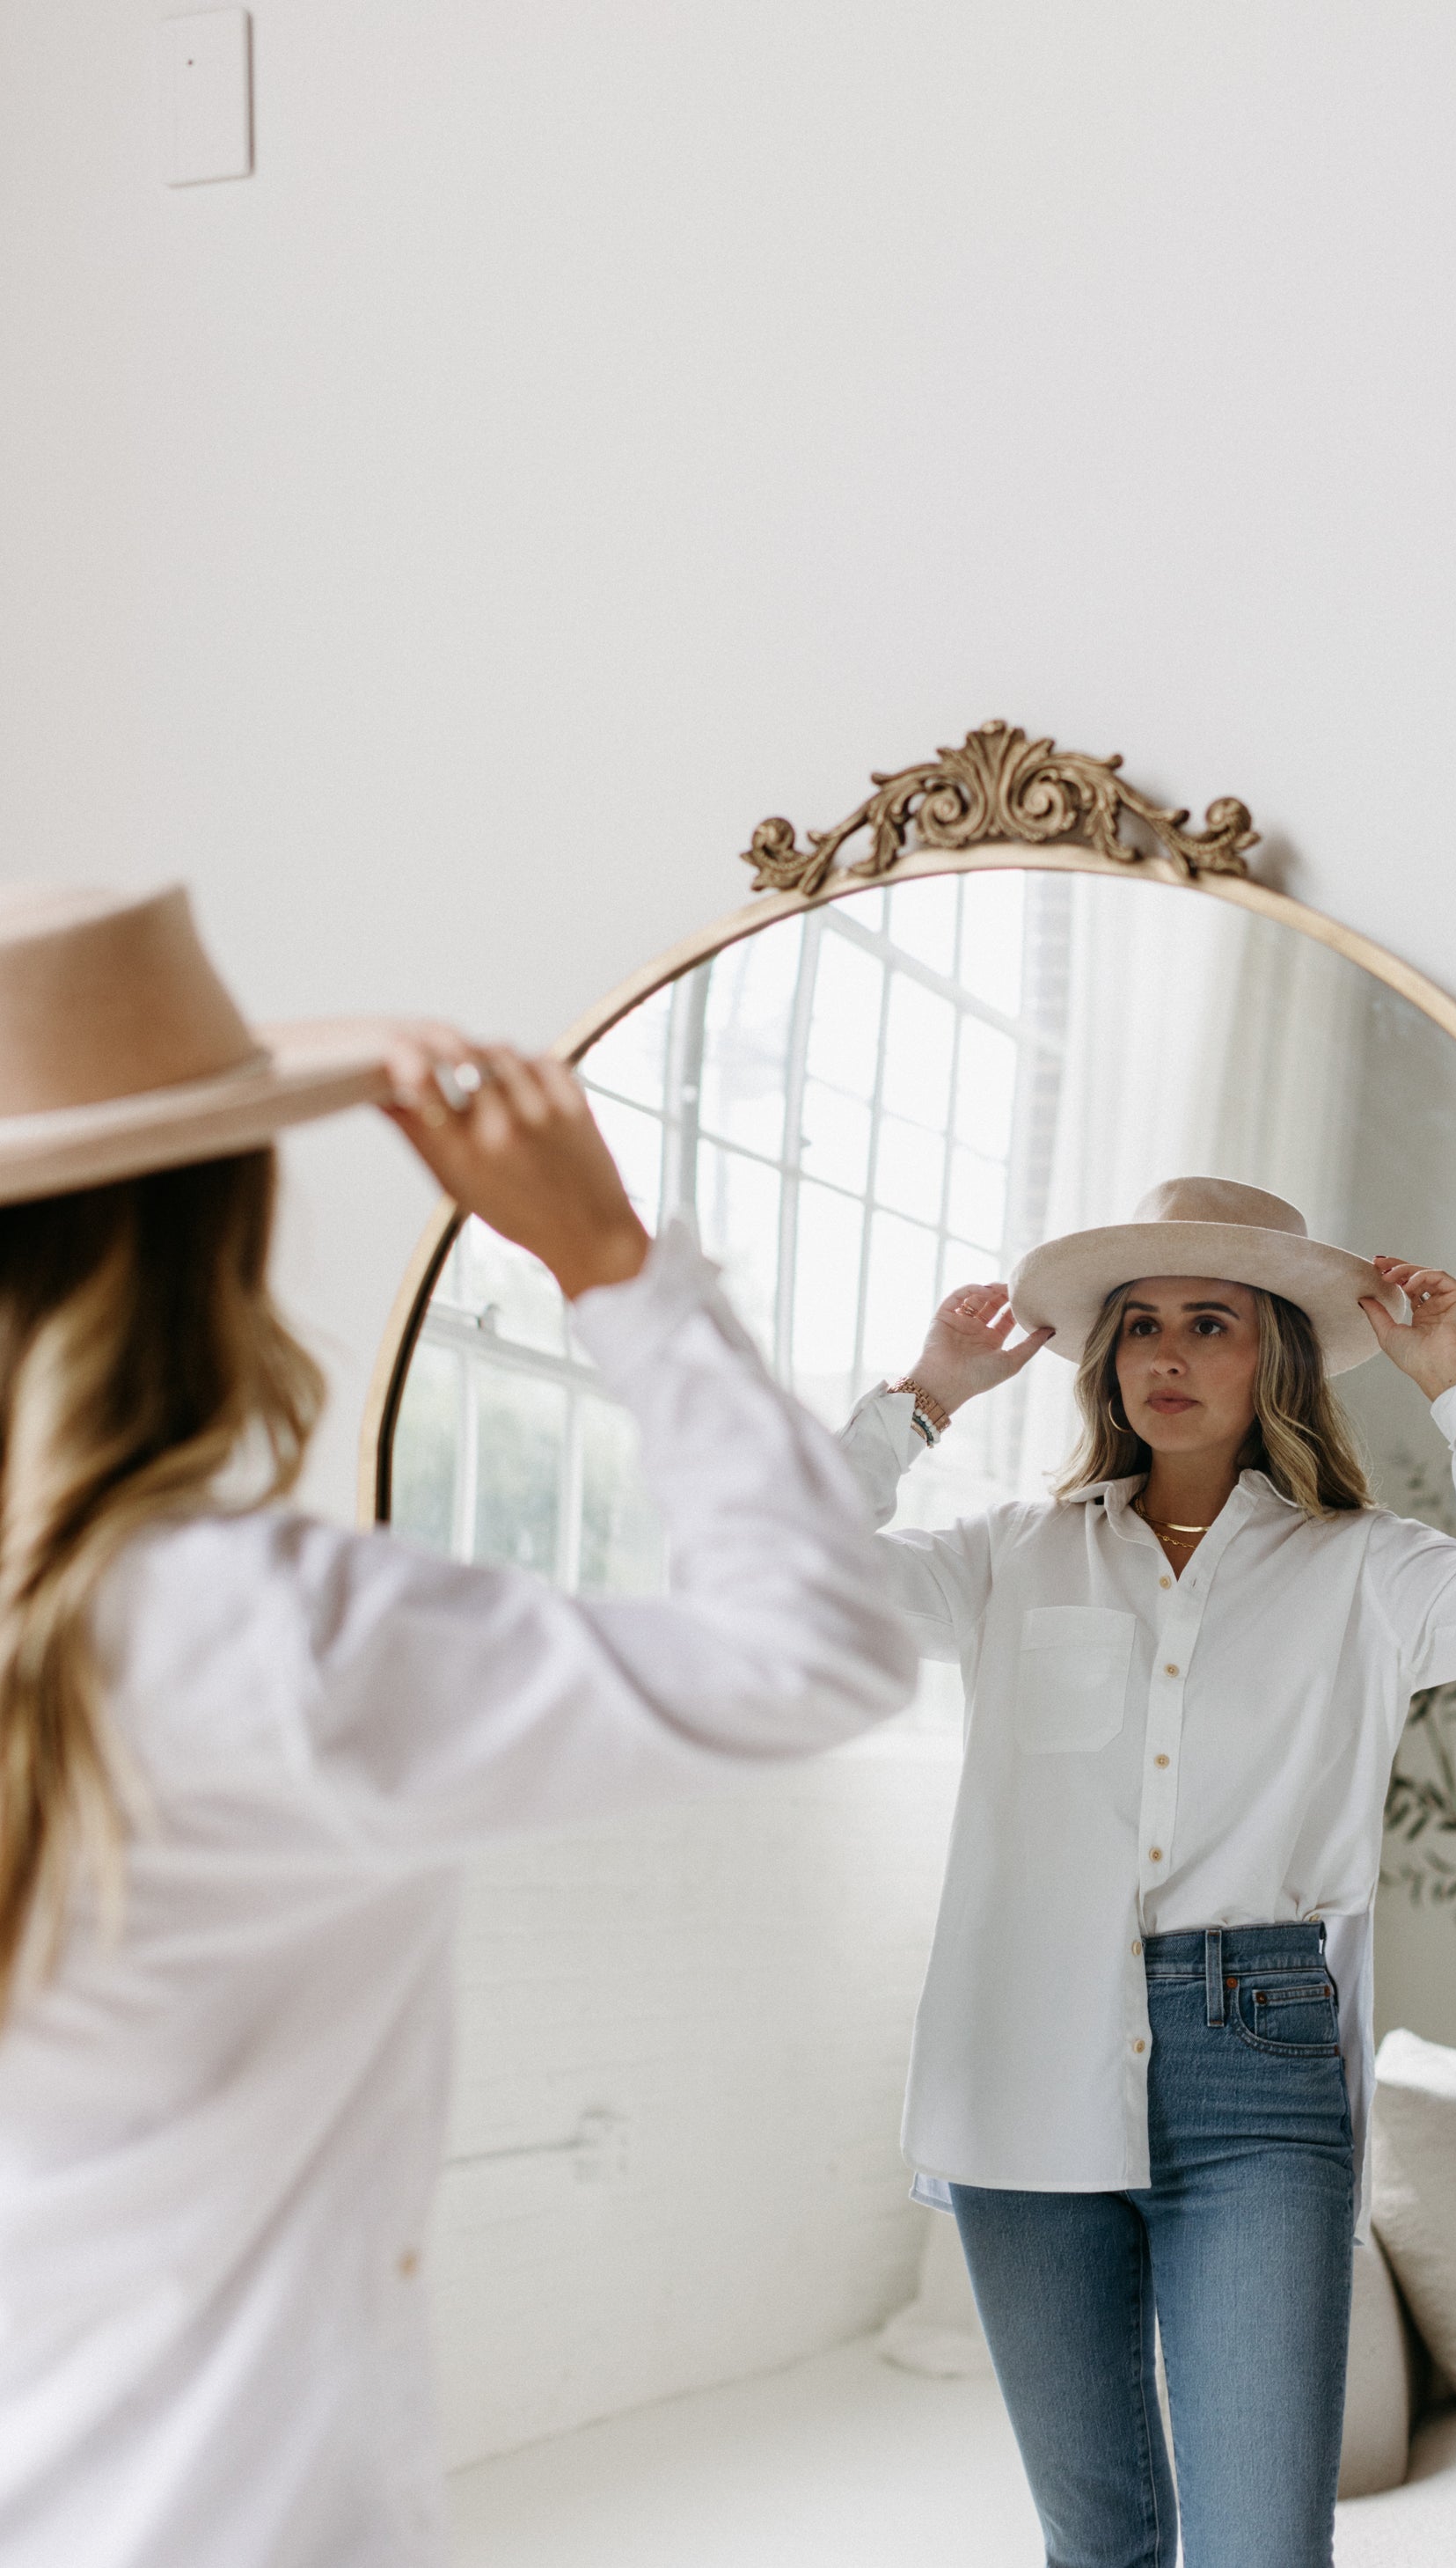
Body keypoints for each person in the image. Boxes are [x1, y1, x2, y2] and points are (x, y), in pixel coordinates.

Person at [0, 884, 917, 2568]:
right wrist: (613, 1265)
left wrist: (266, 1067)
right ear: (213, 1238)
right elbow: (820, 1650)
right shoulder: (272, 1641)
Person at [838, 1175, 1456, 2568]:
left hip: (1255, 2049)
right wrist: (924, 1396)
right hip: (1025, 2040)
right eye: (1139, 1325)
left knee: (1262, 2544)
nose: (1168, 1355)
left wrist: (1453, 1383)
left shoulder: (1367, 1573)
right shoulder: (1013, 1558)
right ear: (1103, 1361)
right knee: (1100, 2546)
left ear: (1279, 1359)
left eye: (1211, 1322)